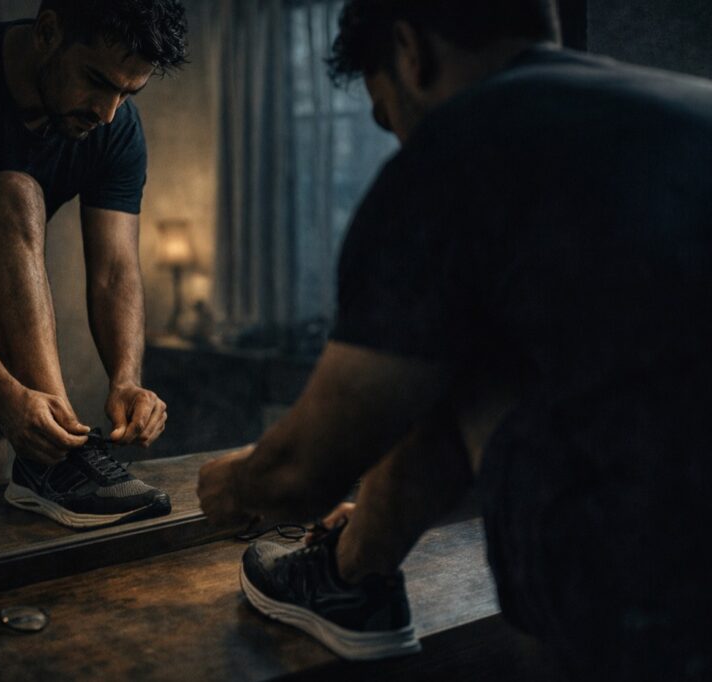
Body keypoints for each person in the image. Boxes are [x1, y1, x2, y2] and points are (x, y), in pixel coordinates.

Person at [197, 0, 712, 677]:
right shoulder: (687, 106)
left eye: (388, 116)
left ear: (411, 50)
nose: (399, 140)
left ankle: (349, 575)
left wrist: (233, 484)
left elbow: (302, 476)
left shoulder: (462, 148)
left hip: (643, 619)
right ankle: (353, 569)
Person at [0, 1, 187, 528]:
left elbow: (116, 270)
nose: (107, 111)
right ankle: (61, 457)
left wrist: (126, 380)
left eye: (127, 93)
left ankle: (29, 506)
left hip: (2, 280)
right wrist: (6, 395)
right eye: (96, 81)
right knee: (15, 192)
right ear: (47, 31)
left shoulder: (114, 126)